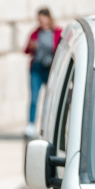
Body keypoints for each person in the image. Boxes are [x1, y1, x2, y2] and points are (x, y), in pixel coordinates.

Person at [24, 7, 61, 138]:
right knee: (34, 98)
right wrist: (31, 46)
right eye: (39, 20)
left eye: (42, 19)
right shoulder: (35, 33)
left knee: (49, 99)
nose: (41, 22)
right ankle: (31, 124)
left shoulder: (57, 32)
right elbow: (26, 50)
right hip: (37, 68)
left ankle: (46, 125)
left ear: (48, 18)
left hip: (50, 69)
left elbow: (61, 50)